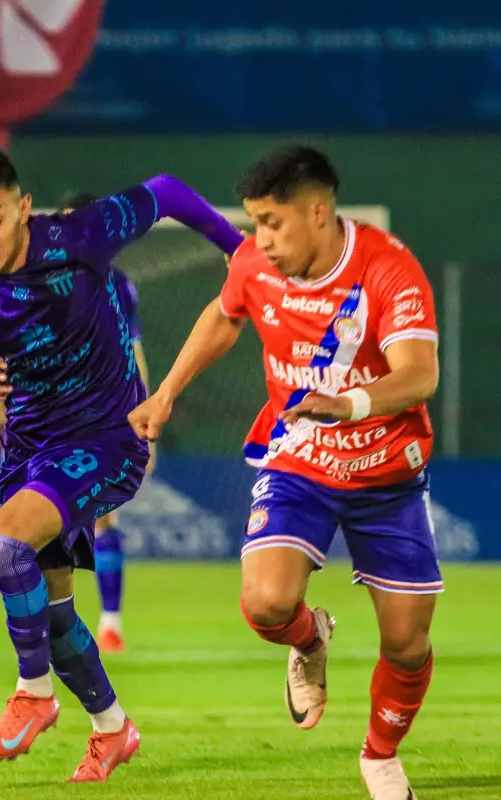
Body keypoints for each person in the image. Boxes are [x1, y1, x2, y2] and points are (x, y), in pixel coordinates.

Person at [129, 146, 440, 800]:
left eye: (272, 223)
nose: (259, 240)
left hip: (386, 473)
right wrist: (167, 392)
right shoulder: (252, 263)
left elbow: (419, 375)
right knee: (266, 604)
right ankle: (309, 639)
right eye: (253, 222)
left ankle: (380, 757)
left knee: (408, 646)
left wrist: (348, 403)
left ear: (319, 212)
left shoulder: (389, 268)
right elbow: (224, 314)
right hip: (299, 458)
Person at [0, 147, 242, 781]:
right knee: (54, 612)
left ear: (21, 209)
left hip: (106, 437)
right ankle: (112, 728)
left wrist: (237, 248)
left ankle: (33, 693)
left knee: (3, 541)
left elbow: (169, 188)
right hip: (31, 447)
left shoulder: (80, 233)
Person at [0, 191, 156, 653]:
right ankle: (50, 642)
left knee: (105, 519)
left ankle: (110, 621)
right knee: (35, 537)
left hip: (100, 422)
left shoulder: (118, 284)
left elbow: (134, 355)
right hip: (39, 424)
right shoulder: (26, 277)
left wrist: (145, 417)